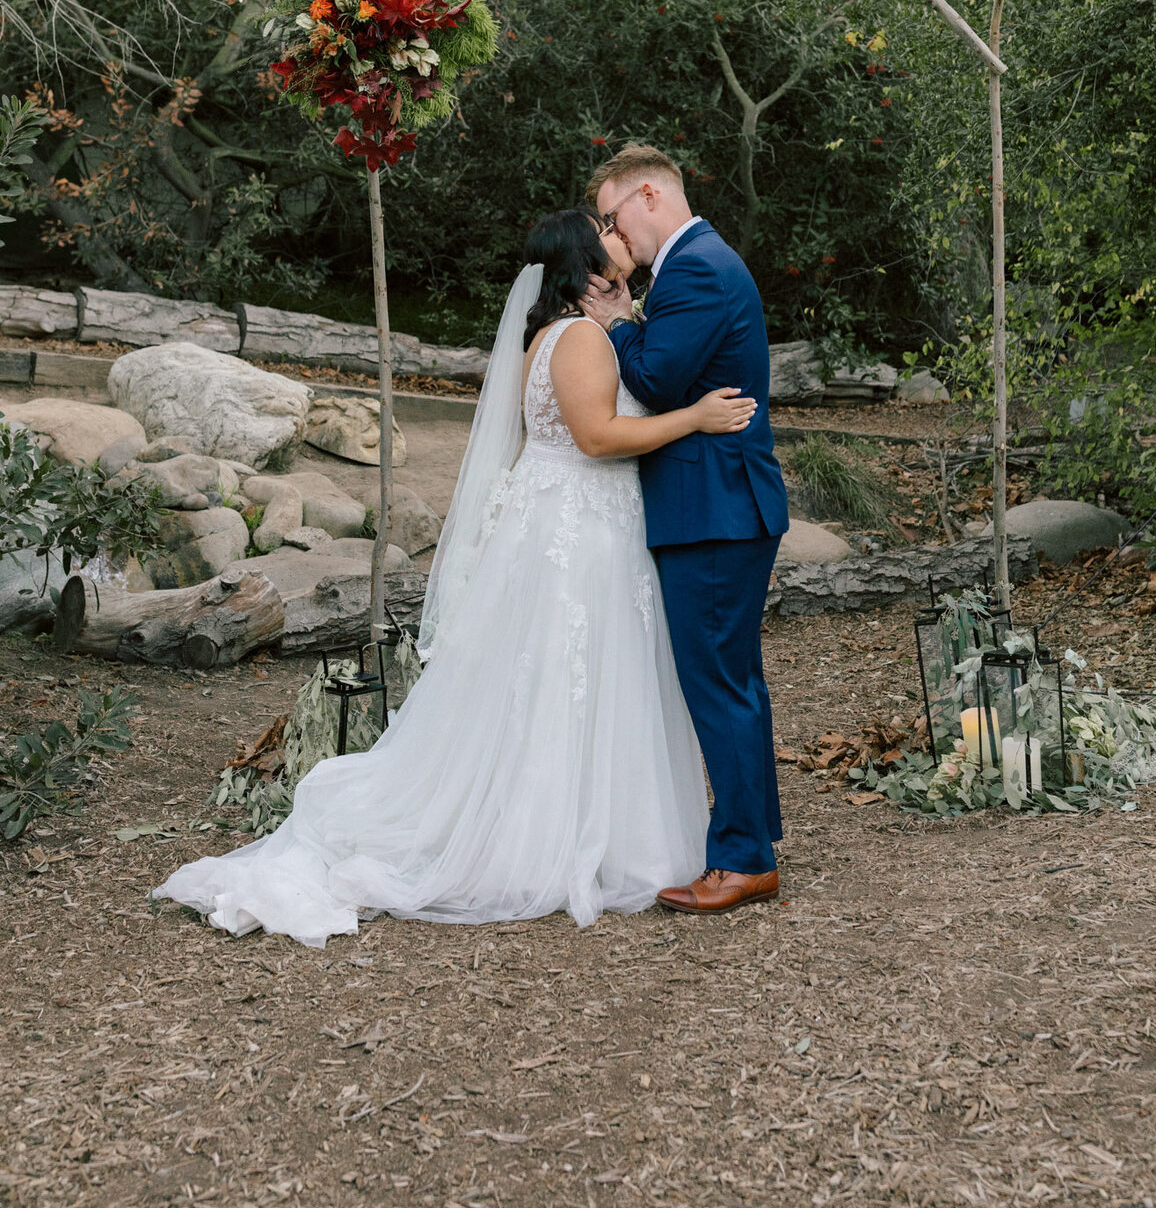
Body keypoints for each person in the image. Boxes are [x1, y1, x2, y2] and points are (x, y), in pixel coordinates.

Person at [154, 209, 757, 946]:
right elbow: (598, 437)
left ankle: (583, 820)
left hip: (573, 522)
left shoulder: (566, 331)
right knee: (569, 681)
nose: (614, 230)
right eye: (602, 226)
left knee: (568, 681)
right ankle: (562, 836)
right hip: (581, 531)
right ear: (581, 261)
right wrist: (693, 418)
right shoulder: (580, 339)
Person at [583, 144, 789, 915]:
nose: (613, 234)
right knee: (736, 677)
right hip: (722, 505)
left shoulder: (696, 265)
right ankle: (755, 836)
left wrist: (612, 322)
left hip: (714, 510)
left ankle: (742, 859)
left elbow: (658, 377)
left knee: (718, 681)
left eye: (612, 216)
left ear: (646, 195)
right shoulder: (699, 261)